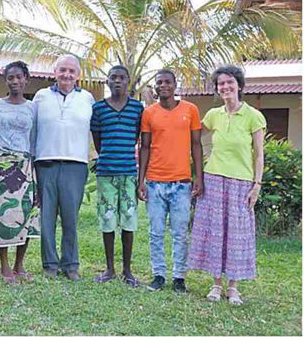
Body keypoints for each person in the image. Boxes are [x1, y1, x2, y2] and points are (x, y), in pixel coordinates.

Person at [187, 65, 266, 305]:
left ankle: (233, 287)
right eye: (221, 84)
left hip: (241, 183)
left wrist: (257, 184)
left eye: (230, 82)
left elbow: (259, 154)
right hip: (213, 180)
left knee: (237, 234)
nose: (226, 87)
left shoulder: (253, 115)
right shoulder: (213, 115)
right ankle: (215, 284)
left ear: (239, 85)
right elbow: (193, 137)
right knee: (214, 233)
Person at [137, 69, 203, 293]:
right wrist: (141, 180)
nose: (163, 86)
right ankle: (158, 275)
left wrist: (198, 178)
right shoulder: (149, 113)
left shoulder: (190, 110)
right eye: (159, 83)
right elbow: (144, 147)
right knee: (155, 232)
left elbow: (196, 145)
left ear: (175, 85)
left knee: (180, 232)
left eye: (167, 82)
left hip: (182, 183)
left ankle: (179, 277)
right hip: (155, 182)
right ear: (155, 88)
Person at [33, 54, 94, 281]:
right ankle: (49, 264)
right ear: (54, 72)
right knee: (47, 216)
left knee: (70, 217)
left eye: (72, 71)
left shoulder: (87, 99)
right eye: (63, 70)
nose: (67, 75)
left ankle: (70, 265)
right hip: (45, 163)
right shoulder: (41, 97)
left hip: (75, 165)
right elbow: (33, 131)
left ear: (78, 75)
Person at [0, 61, 40, 284]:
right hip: (0, 166)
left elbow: (33, 143)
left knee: (26, 215)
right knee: (1, 215)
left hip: (24, 165)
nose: (15, 81)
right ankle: (4, 265)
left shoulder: (33, 107)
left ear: (26, 79)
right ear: (5, 81)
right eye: (10, 78)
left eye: (19, 77)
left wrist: (34, 172)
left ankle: (19, 264)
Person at [90, 65, 143, 287]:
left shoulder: (138, 108)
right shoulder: (99, 108)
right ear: (107, 81)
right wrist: (108, 156)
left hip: (129, 172)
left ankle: (127, 270)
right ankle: (110, 269)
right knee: (107, 220)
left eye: (122, 78)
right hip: (106, 174)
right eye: (113, 78)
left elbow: (137, 137)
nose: (117, 81)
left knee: (129, 221)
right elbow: (97, 138)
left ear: (128, 81)